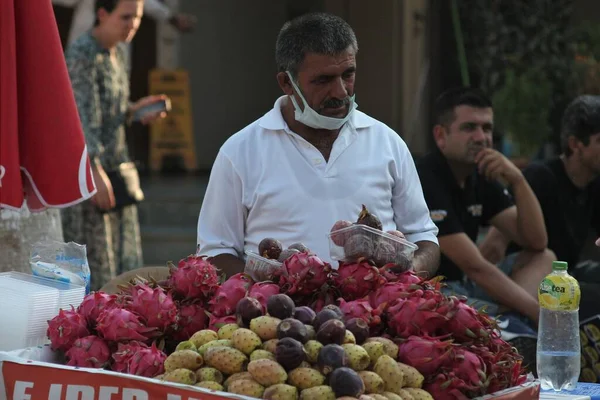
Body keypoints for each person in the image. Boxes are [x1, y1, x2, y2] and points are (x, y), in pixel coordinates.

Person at [197, 12, 440, 279]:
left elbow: (423, 238)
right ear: (286, 82)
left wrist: (406, 271)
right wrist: (276, 290)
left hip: (373, 315)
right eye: (323, 80)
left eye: (348, 75)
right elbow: (215, 252)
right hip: (279, 318)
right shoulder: (240, 152)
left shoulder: (387, 143)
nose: (340, 92)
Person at [416, 87, 556, 325]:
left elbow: (536, 241)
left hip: (467, 288)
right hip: (431, 293)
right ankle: (510, 325)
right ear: (441, 136)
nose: (482, 137)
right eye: (469, 127)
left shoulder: (482, 174)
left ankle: (508, 323)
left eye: (487, 128)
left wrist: (517, 180)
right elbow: (474, 266)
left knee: (545, 258)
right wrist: (538, 313)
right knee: (449, 302)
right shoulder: (425, 177)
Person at [61, 0, 168, 290]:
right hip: (93, 175)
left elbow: (111, 110)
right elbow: (80, 118)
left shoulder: (118, 53)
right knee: (98, 263)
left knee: (122, 264)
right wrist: (94, 170)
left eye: (137, 17)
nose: (132, 24)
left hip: (116, 170)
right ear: (102, 14)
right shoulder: (83, 54)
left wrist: (135, 110)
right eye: (125, 17)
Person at [481, 95, 600, 270]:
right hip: (532, 279)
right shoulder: (540, 178)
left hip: (569, 273)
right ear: (575, 144)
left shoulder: (595, 183)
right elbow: (495, 243)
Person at [53, 0, 196, 47]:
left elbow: (143, 3)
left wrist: (170, 17)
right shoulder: (79, 52)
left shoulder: (120, 52)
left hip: (115, 46)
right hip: (86, 37)